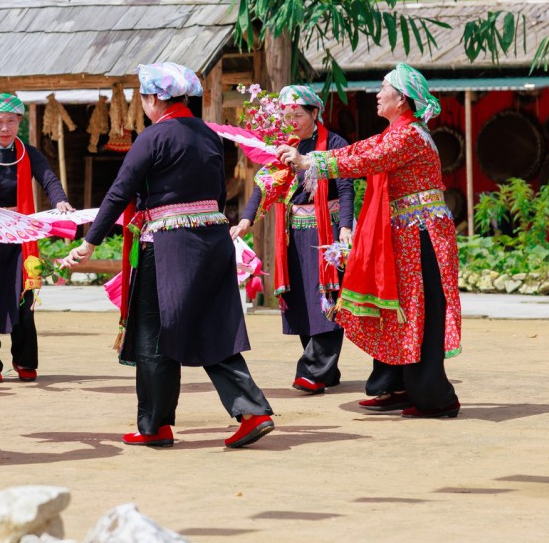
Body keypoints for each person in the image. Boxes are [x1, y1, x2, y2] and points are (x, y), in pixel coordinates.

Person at [62, 63, 275, 450]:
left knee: (153, 334)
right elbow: (219, 194)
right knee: (211, 326)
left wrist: (89, 242)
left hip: (168, 245)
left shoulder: (154, 137)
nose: (144, 105)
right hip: (212, 241)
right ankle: (253, 410)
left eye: (144, 98)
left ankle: (156, 425)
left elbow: (119, 191)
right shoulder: (209, 135)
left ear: (155, 99)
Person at [278, 63, 461, 418]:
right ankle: (397, 385)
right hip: (406, 234)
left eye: (383, 88)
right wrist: (311, 159)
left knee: (418, 312)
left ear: (402, 100)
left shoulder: (407, 135)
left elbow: (369, 160)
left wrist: (310, 162)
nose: (376, 93)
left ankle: (436, 397)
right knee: (400, 310)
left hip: (422, 233)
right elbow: (357, 151)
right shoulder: (397, 131)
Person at [232, 85, 354, 394]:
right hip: (294, 231)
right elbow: (265, 184)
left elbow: (345, 187)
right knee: (302, 299)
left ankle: (313, 371)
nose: (293, 121)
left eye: (298, 115)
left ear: (315, 113)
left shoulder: (334, 143)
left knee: (326, 295)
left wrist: (346, 227)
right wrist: (246, 219)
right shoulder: (285, 145)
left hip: (328, 228)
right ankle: (327, 370)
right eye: (288, 116)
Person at [0, 93, 72, 383]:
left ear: (19, 121)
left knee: (24, 297)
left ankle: (24, 360)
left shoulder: (29, 153)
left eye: (11, 121)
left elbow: (48, 179)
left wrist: (60, 201)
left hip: (20, 234)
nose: (4, 128)